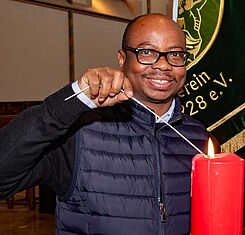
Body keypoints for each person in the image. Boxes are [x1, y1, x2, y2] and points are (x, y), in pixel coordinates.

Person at [0, 13, 209, 234]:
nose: (164, 65)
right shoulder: (79, 132)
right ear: (122, 58)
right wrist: (72, 100)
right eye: (147, 52)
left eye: (175, 54)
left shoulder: (198, 137)